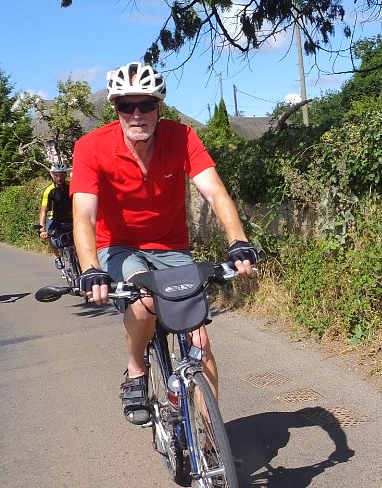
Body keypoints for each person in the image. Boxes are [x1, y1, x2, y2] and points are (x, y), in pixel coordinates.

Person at [71, 61, 259, 424]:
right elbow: (84, 215)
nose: (136, 114)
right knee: (143, 303)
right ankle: (136, 369)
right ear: (115, 109)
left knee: (200, 342)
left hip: (171, 248)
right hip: (119, 247)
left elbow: (214, 192)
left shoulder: (183, 137)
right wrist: (90, 267)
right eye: (126, 105)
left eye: (145, 104)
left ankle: (210, 438)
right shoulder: (91, 147)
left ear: (160, 107)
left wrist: (238, 240)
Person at [36, 163, 73, 269]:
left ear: (65, 175)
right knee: (50, 236)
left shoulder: (71, 186)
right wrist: (42, 229)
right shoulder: (49, 191)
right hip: (55, 220)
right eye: (56, 175)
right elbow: (44, 211)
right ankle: (57, 257)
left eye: (61, 175)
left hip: (71, 219)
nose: (59, 178)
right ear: (52, 175)